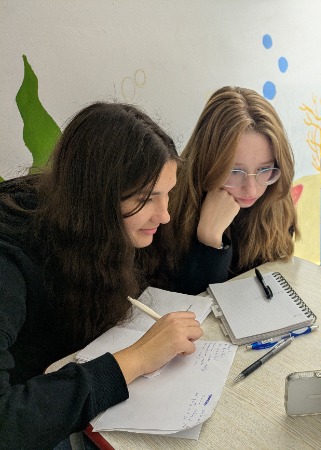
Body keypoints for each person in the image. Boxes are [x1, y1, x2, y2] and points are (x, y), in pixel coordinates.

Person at [0, 102, 204, 449]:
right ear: (97, 199)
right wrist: (136, 359)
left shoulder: (97, 227)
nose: (165, 215)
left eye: (167, 194)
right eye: (147, 198)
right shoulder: (10, 258)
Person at [158, 86, 298, 294]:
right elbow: (187, 301)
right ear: (207, 162)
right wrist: (210, 239)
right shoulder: (165, 205)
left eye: (264, 169)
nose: (251, 190)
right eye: (234, 171)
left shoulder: (275, 195)